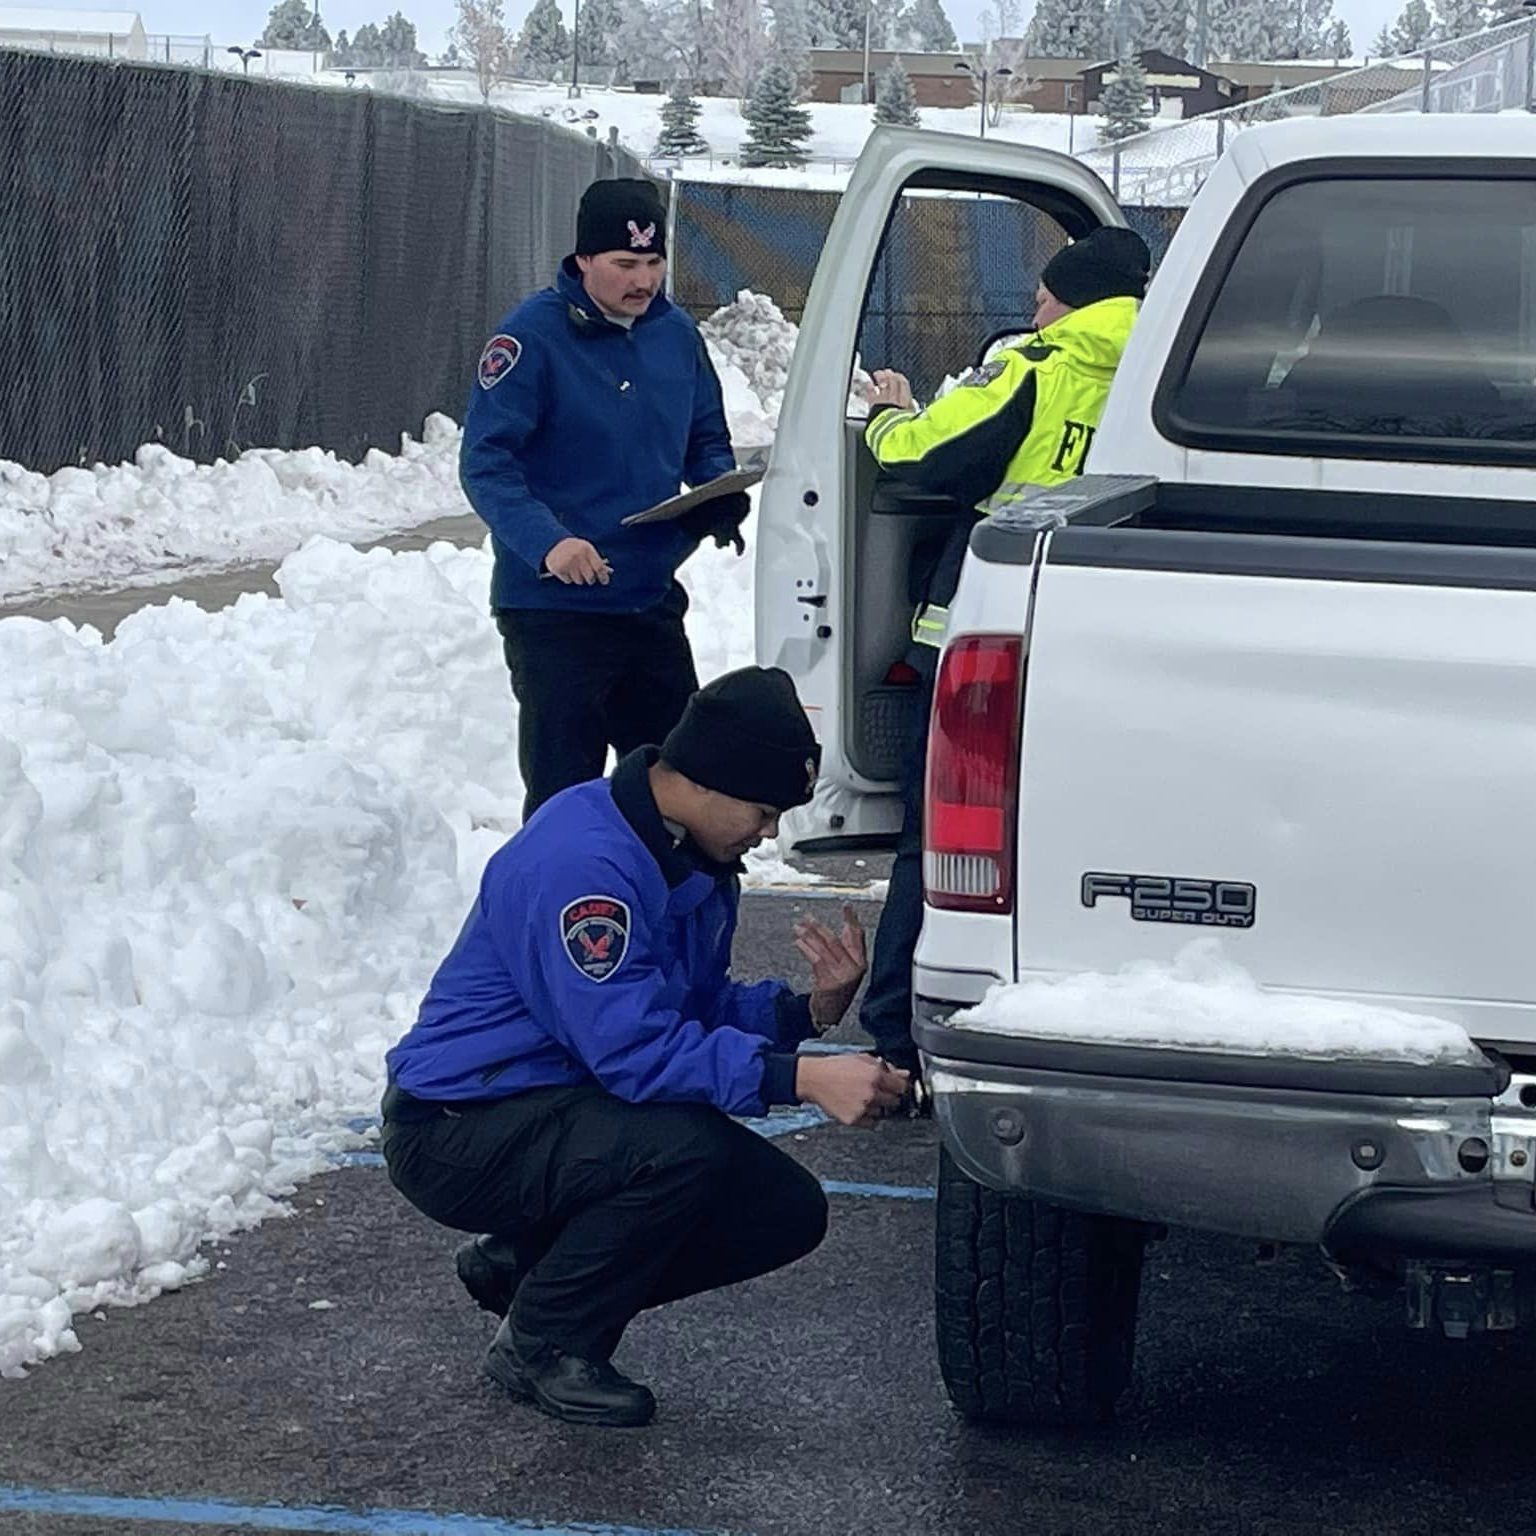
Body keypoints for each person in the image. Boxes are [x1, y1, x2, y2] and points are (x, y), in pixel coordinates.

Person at [380, 666, 911, 1428]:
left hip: (552, 1104)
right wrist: (799, 1080)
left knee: (783, 1209)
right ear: (708, 781)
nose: (767, 834)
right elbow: (634, 1053)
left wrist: (805, 1013)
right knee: (682, 1149)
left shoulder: (685, 852)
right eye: (762, 812)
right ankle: (541, 1341)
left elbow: (683, 1006)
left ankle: (529, 1269)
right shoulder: (584, 867)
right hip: (458, 1125)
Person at [856, 226, 1152, 1075]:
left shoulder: (1037, 364)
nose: (1036, 307)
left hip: (994, 637)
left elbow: (922, 453)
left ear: (1072, 298)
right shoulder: (1163, 373)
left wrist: (886, 410)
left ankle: (898, 1031)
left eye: (1044, 294)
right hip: (1112, 647)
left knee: (946, 836)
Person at [460, 176, 753, 823]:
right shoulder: (529, 339)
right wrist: (550, 543)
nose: (642, 280)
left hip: (647, 602)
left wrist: (717, 493)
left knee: (681, 789)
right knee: (566, 802)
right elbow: (486, 463)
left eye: (653, 263)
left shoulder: (676, 335)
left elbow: (706, 437)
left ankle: (665, 914)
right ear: (585, 259)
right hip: (555, 613)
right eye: (624, 264)